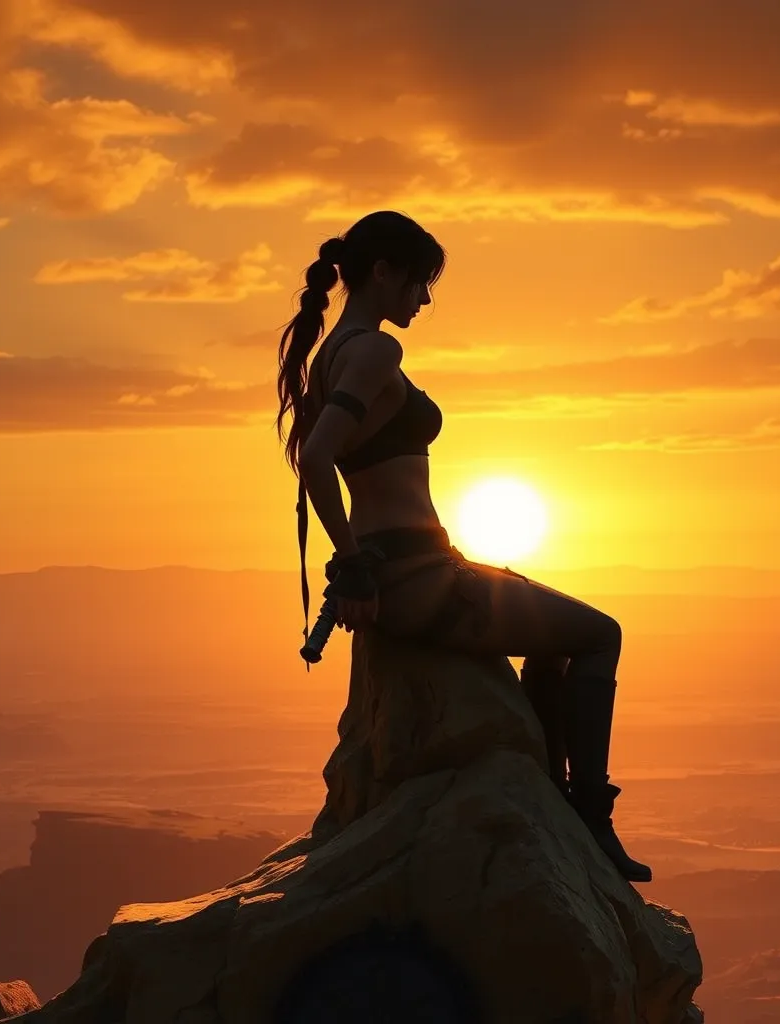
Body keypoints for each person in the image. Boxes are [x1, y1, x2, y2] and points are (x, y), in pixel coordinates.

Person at [275, 210, 652, 884]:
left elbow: (326, 455)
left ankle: (555, 795)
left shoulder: (334, 352)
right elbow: (317, 459)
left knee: (552, 636)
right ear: (384, 272)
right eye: (420, 282)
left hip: (412, 565)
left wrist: (360, 561)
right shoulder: (373, 350)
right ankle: (589, 818)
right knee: (600, 634)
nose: (424, 299)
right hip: (418, 576)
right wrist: (354, 563)